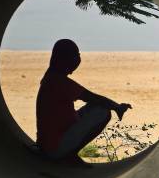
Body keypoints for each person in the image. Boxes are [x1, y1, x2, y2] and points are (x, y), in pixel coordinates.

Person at [36, 39, 132, 167]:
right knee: (103, 112)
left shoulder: (51, 77)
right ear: (65, 59)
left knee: (96, 107)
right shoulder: (60, 82)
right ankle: (69, 155)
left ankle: (67, 154)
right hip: (55, 148)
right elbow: (93, 98)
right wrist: (117, 107)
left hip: (47, 145)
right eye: (75, 55)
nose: (78, 59)